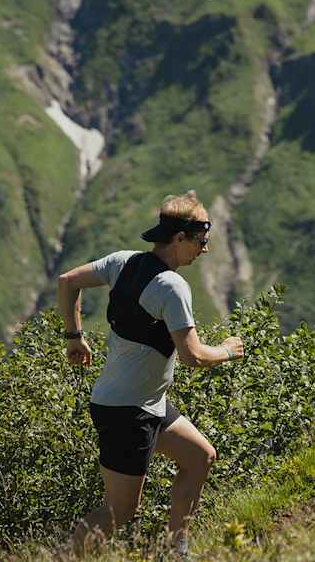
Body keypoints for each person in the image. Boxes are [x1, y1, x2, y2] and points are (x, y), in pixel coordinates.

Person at [56, 191, 245, 558]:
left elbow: (67, 281)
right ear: (179, 239)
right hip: (127, 410)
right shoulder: (171, 287)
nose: (204, 250)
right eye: (201, 241)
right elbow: (193, 356)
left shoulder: (123, 262)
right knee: (121, 510)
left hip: (145, 402)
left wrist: (74, 338)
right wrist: (227, 350)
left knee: (200, 457)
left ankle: (178, 551)